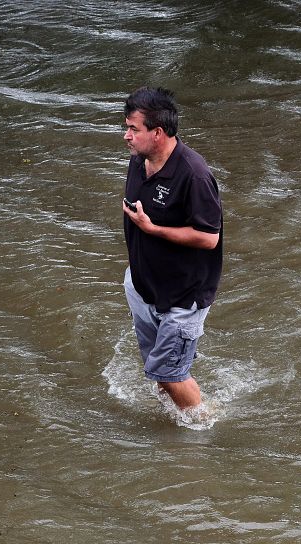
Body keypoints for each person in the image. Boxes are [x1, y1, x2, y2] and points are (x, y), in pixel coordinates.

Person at [121, 86, 223, 412]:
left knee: (170, 374)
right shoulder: (139, 161)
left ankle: (203, 426)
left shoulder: (194, 175)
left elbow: (209, 237)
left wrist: (154, 229)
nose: (126, 136)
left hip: (182, 297)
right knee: (158, 369)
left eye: (134, 129)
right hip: (144, 287)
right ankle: (174, 420)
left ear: (158, 133)